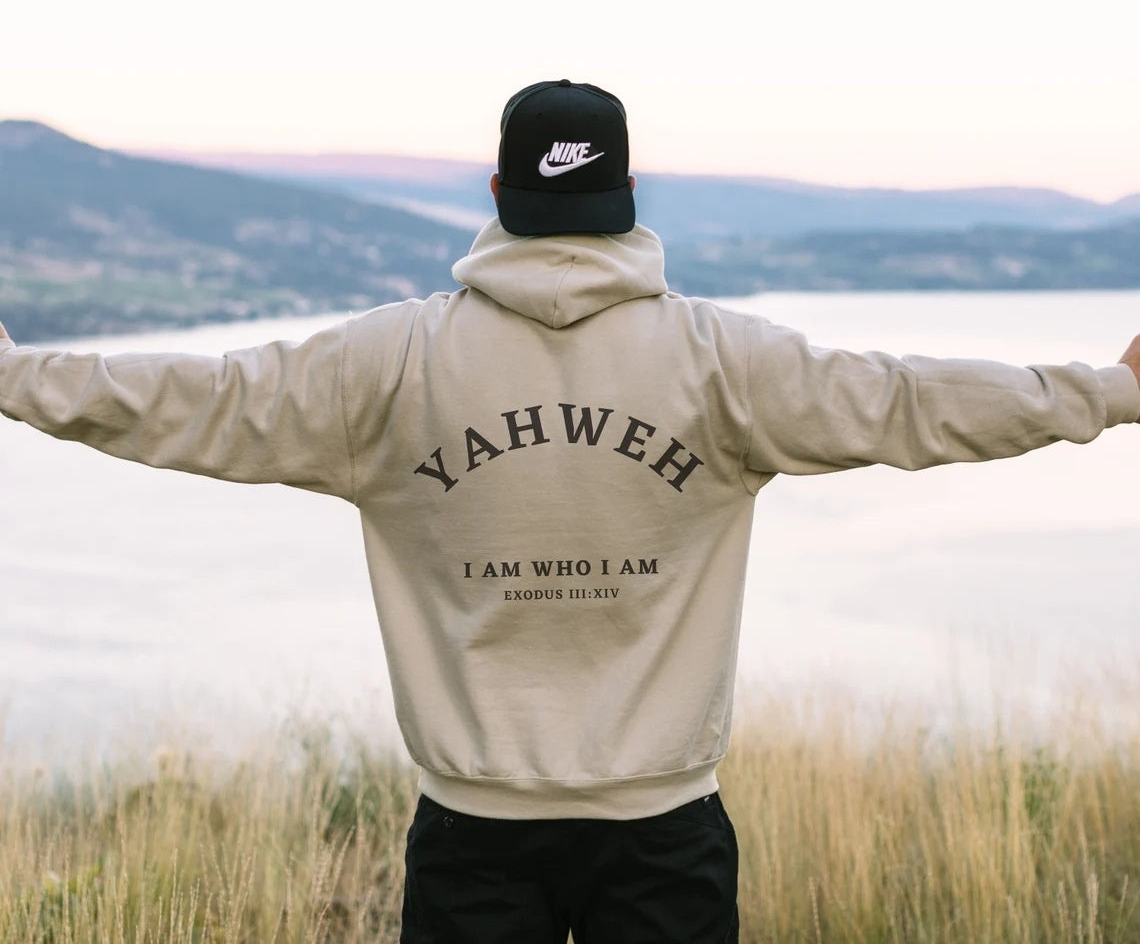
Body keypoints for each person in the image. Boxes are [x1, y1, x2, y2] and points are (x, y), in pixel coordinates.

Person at [2, 79, 1138, 944]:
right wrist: (1113, 393)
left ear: (501, 197)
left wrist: (16, 377)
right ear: (627, 194)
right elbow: (910, 401)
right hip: (665, 836)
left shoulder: (387, 365)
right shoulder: (723, 361)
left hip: (472, 836)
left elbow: (183, 400)